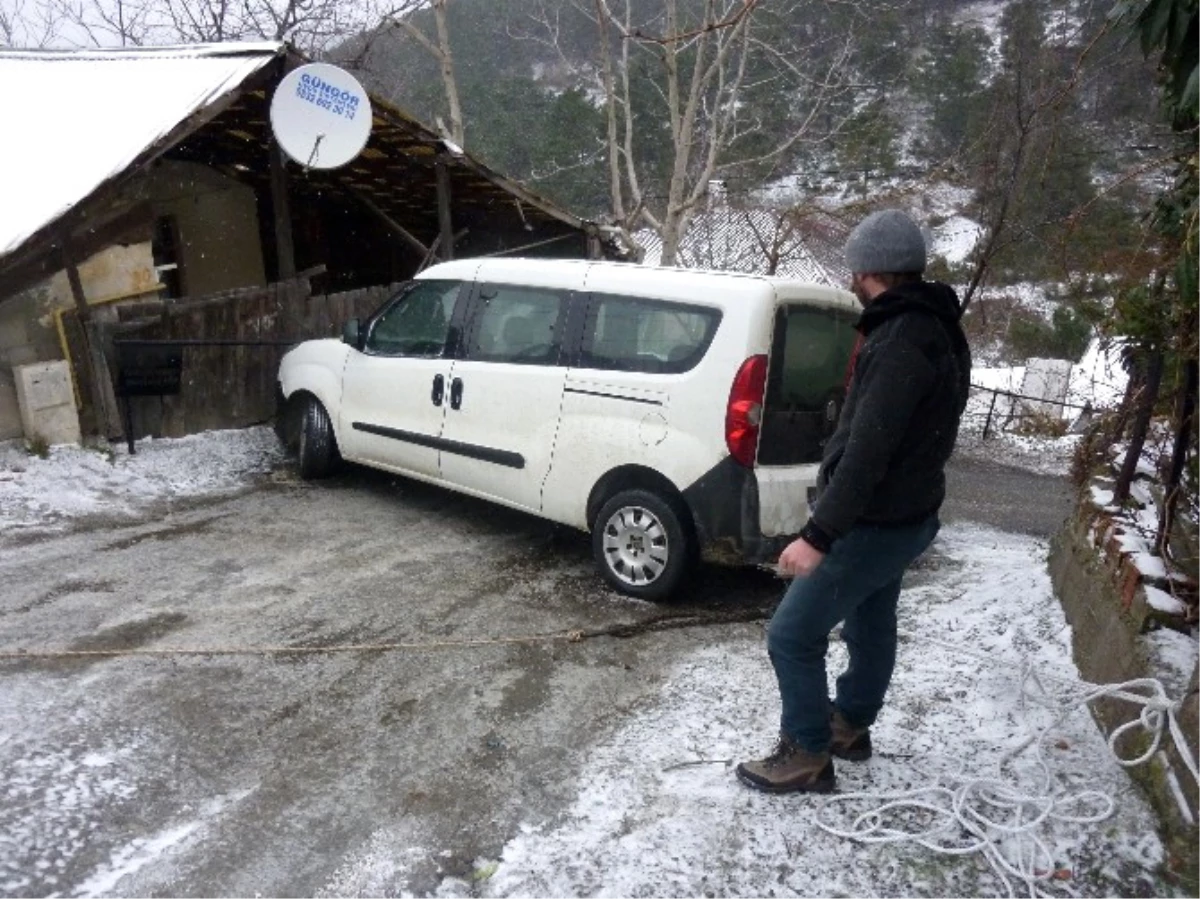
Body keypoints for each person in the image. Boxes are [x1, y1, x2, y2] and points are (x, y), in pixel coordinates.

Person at [736, 209, 972, 794]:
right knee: (870, 620)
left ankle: (807, 754)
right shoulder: (937, 323)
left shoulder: (898, 340)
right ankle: (850, 724)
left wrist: (818, 536)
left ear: (868, 270)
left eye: (853, 268)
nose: (850, 277)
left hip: (874, 521)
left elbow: (869, 452)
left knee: (791, 635)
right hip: (908, 514)